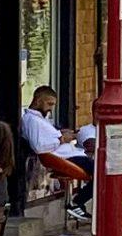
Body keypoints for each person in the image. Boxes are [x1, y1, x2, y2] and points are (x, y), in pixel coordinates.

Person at [17, 84, 91, 224]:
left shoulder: (41, 119)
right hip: (64, 158)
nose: (51, 108)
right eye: (49, 104)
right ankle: (77, 203)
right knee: (101, 171)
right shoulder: (32, 120)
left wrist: (63, 135)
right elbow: (39, 146)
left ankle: (78, 203)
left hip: (71, 154)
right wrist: (61, 139)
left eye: (53, 104)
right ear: (38, 100)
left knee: (101, 167)